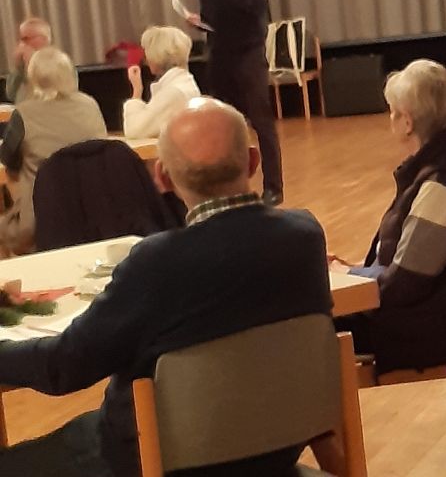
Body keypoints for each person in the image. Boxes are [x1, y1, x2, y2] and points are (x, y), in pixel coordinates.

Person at [0, 97, 332, 477]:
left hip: (152, 458)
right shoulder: (305, 237)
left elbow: (63, 366)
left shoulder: (157, 263)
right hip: (273, 452)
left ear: (162, 177)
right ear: (254, 162)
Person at [334, 59, 446, 375]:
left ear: (407, 122)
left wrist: (349, 277)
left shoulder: (440, 182)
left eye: (392, 111)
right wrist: (353, 271)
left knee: (307, 323)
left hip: (423, 328)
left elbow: (406, 284)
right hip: (421, 312)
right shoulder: (432, 168)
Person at [187, 0, 283, 206]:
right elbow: (213, 14)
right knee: (223, 125)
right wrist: (198, 21)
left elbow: (258, 4)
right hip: (220, 55)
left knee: (261, 122)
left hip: (248, 53)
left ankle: (273, 187)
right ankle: (230, 187)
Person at [0, 46, 107, 255]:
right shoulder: (91, 105)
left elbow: (8, 160)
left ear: (32, 78)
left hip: (41, 223)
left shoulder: (23, 114)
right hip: (99, 214)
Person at [123, 26, 200, 138]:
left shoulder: (173, 93)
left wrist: (137, 91)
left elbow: (134, 130)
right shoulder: (182, 83)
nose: (145, 59)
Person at [6, 17, 52, 103]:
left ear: (44, 39)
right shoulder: (22, 64)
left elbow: (49, 95)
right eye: (21, 39)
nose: (22, 43)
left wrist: (31, 65)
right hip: (24, 109)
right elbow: (11, 95)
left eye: (26, 39)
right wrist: (18, 68)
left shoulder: (60, 62)